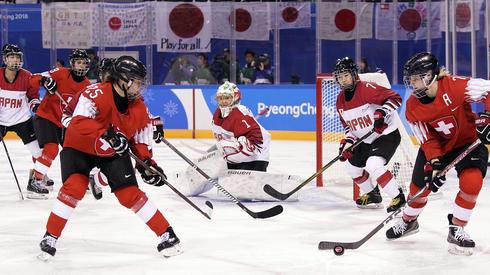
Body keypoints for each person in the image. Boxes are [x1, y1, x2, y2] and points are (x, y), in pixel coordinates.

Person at [38, 56, 182, 260]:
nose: (140, 87)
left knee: (129, 193)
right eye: (138, 81)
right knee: (75, 188)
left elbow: (139, 139)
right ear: (124, 80)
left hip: (110, 152)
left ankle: (167, 234)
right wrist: (106, 133)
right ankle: (50, 236)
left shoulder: (139, 107)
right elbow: (78, 123)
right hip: (79, 148)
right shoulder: (94, 93)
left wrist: (147, 164)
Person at [385, 52, 489, 256]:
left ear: (430, 75)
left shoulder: (457, 86)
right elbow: (427, 139)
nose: (412, 84)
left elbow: (488, 90)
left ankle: (457, 227)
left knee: (472, 182)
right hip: (438, 147)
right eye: (410, 79)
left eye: (416, 78)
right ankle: (408, 221)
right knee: (420, 188)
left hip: (468, 142)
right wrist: (434, 163)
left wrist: (487, 117)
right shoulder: (413, 107)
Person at [334, 57, 406, 212]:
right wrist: (347, 143)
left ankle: (398, 197)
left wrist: (381, 112)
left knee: (373, 165)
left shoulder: (367, 88)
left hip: (386, 135)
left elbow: (395, 98)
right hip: (365, 140)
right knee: (351, 167)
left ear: (353, 74)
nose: (343, 80)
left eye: (346, 75)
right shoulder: (340, 100)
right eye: (340, 77)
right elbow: (349, 128)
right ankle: (372, 194)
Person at [29, 49, 91, 196]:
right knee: (51, 149)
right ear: (72, 63)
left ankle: (75, 180)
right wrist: (44, 81)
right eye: (78, 63)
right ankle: (35, 181)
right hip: (46, 117)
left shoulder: (87, 86)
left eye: (84, 63)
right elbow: (33, 79)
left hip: (64, 124)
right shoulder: (60, 73)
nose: (81, 66)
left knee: (74, 152)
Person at [0, 43, 48, 199]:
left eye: (17, 57)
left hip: (22, 120)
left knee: (39, 153)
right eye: (12, 57)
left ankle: (36, 179)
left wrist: (35, 107)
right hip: (1, 121)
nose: (15, 60)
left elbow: (33, 97)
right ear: (5, 59)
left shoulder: (27, 76)